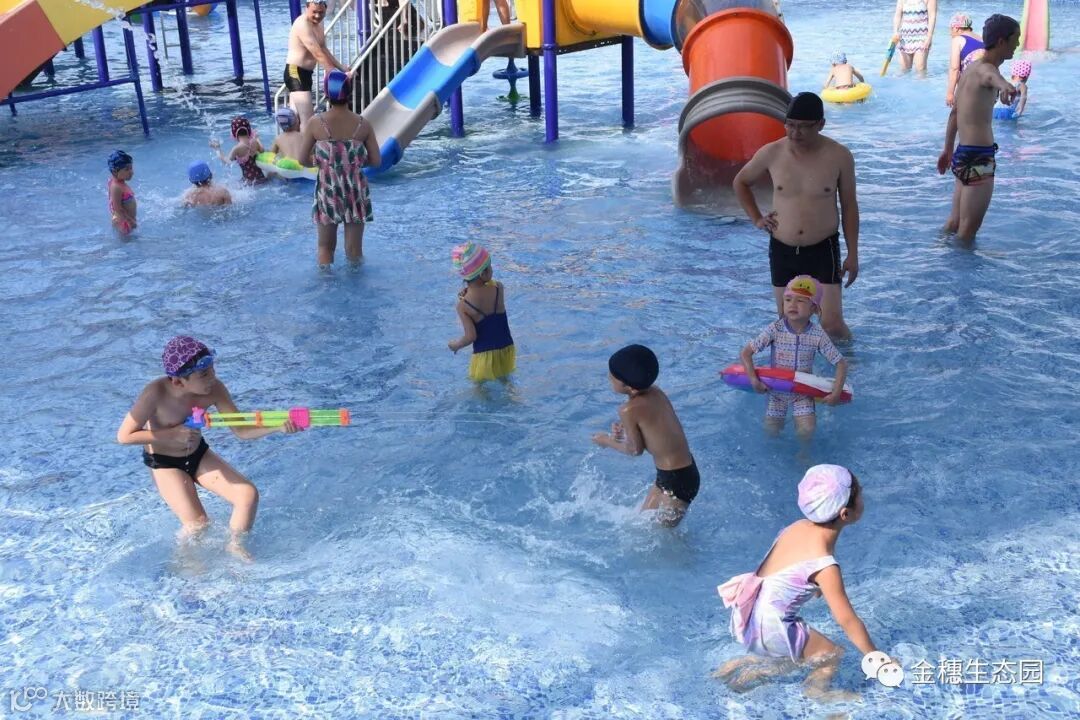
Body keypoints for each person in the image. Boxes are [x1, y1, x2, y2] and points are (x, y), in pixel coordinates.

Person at [116, 337, 302, 560]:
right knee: (198, 525)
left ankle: (235, 547)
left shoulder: (215, 389)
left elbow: (242, 431)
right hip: (165, 463)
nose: (213, 377)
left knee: (247, 495)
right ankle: (184, 564)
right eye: (204, 374)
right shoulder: (154, 394)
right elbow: (124, 436)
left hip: (198, 454)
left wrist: (278, 427)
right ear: (178, 382)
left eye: (213, 369)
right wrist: (171, 434)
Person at [713, 465, 882, 701]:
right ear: (844, 514)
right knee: (831, 654)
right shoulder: (826, 568)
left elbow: (785, 569)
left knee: (797, 654)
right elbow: (847, 620)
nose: (864, 496)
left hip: (749, 612)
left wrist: (817, 586)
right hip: (772, 626)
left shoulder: (797, 527)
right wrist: (876, 659)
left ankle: (737, 666)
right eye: (861, 493)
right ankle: (818, 695)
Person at [733, 92, 859, 340]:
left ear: (821, 124)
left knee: (832, 325)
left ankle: (848, 361)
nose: (794, 133)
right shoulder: (772, 153)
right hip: (783, 249)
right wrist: (757, 218)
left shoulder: (839, 156)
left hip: (823, 249)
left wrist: (853, 253)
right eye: (790, 125)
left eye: (803, 127)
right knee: (789, 324)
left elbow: (849, 205)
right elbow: (741, 182)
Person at [591, 345, 699, 527]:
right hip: (677, 473)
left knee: (663, 534)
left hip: (677, 480)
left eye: (612, 375)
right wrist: (626, 431)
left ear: (628, 386)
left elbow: (635, 450)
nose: (609, 376)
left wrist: (606, 441)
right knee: (641, 522)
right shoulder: (656, 392)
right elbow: (656, 429)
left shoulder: (627, 410)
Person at [937, 14, 1020, 244]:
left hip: (962, 154)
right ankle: (958, 268)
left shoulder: (969, 70)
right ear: (1002, 41)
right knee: (967, 234)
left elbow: (955, 113)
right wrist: (1006, 86)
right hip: (980, 158)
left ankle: (935, 252)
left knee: (953, 224)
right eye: (1016, 38)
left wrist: (947, 150)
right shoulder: (988, 70)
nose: (1018, 44)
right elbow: (992, 78)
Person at [738, 276, 848, 438]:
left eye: (800, 301)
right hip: (776, 391)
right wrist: (754, 380)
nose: (792, 304)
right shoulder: (775, 329)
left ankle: (804, 453)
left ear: (814, 308)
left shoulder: (817, 334)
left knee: (807, 431)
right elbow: (746, 353)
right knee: (771, 431)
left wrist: (836, 394)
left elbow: (841, 363)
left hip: (802, 393)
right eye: (788, 299)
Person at [298, 70, 380, 267]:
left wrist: (321, 162)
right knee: (354, 251)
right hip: (355, 189)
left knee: (325, 248)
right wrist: (353, 162)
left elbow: (302, 159)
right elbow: (376, 160)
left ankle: (326, 281)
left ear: (326, 93)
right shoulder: (363, 124)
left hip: (328, 189)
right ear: (350, 92)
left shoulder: (316, 123)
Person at [447, 242, 516, 381]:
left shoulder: (463, 306)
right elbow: (488, 287)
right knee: (506, 382)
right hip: (506, 350)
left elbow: (471, 336)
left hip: (484, 357)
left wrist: (456, 345)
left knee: (481, 389)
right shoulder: (499, 288)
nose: (492, 270)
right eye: (489, 267)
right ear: (482, 274)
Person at [285, 0, 352, 129]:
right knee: (308, 121)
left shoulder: (319, 24)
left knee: (296, 122)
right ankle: (308, 143)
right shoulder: (302, 24)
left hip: (306, 74)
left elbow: (323, 49)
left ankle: (295, 141)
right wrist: (334, 75)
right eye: (314, 12)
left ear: (326, 8)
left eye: (321, 12)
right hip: (295, 73)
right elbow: (317, 53)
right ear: (307, 7)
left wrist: (341, 67)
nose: (317, 15)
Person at [210, 117, 266, 184]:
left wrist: (218, 149)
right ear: (249, 130)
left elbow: (226, 161)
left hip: (249, 183)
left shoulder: (236, 148)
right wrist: (257, 138)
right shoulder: (254, 142)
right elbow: (262, 151)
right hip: (261, 178)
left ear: (234, 133)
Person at [945, 12, 984, 107]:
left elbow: (954, 69)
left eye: (950, 29)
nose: (950, 33)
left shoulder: (957, 40)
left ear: (956, 28)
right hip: (989, 87)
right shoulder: (982, 39)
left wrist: (950, 93)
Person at [891, 0, 937, 76]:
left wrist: (929, 37)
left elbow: (932, 16)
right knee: (904, 71)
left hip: (922, 38)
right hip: (904, 38)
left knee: (920, 70)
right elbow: (897, 15)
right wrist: (895, 31)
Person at [107, 150, 137, 236]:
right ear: (114, 172)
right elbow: (117, 208)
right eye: (127, 169)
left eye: (131, 168)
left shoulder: (118, 183)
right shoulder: (116, 187)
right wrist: (131, 221)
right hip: (124, 224)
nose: (131, 172)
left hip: (125, 221)